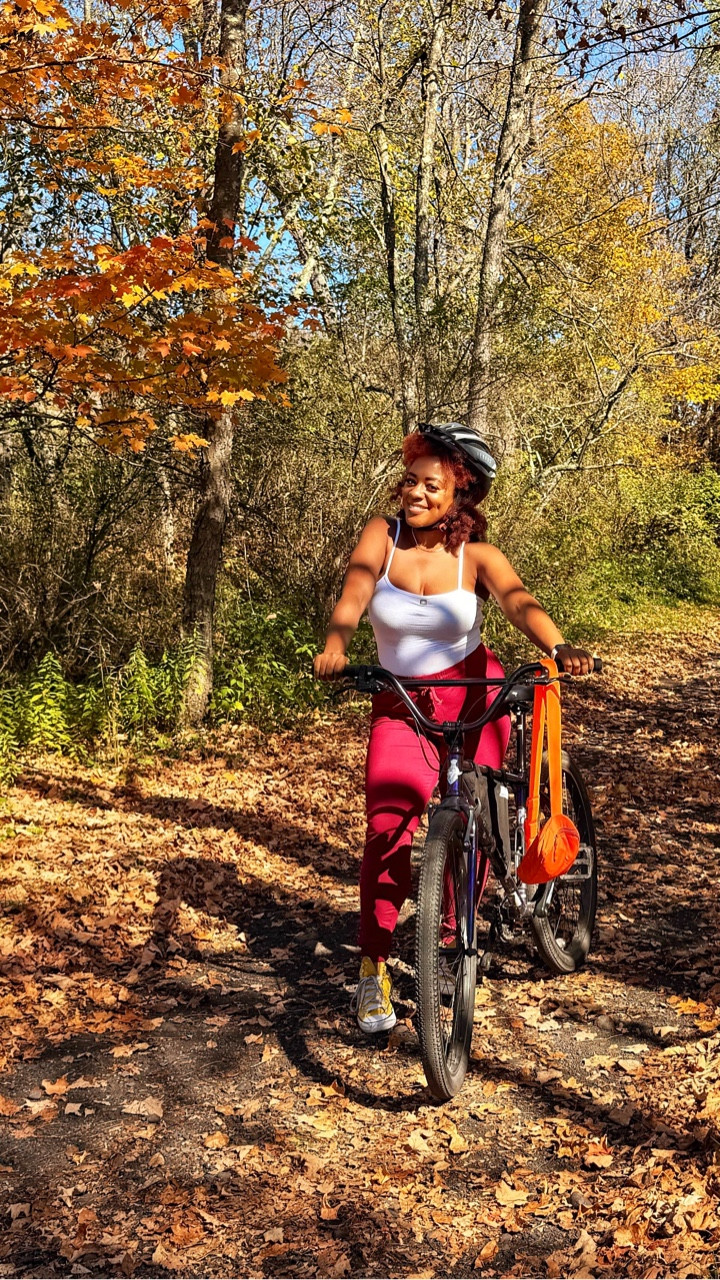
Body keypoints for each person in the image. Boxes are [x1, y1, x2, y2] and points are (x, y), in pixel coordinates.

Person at [313, 422, 594, 1034]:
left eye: (430, 485)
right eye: (410, 480)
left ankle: (446, 942)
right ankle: (372, 968)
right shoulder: (380, 538)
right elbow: (351, 600)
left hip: (474, 694)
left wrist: (559, 645)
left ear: (459, 495)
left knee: (475, 813)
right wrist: (335, 646)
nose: (414, 492)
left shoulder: (477, 556)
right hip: (400, 703)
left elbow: (520, 602)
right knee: (387, 828)